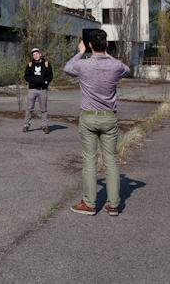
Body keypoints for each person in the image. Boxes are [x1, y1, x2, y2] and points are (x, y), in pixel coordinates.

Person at [64, 29, 130, 217]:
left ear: (90, 45)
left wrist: (80, 52)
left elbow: (67, 68)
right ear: (107, 45)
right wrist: (107, 55)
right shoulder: (115, 66)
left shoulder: (83, 66)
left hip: (89, 116)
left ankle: (90, 204)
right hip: (109, 117)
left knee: (90, 162)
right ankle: (113, 205)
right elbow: (127, 70)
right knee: (111, 161)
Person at [23, 47, 53, 134]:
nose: (35, 56)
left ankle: (45, 126)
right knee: (29, 108)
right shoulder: (30, 65)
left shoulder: (47, 64)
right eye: (33, 55)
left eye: (36, 54)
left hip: (42, 90)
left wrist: (45, 82)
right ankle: (26, 125)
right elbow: (26, 76)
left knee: (43, 109)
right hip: (32, 89)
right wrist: (32, 80)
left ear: (40, 54)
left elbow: (50, 75)